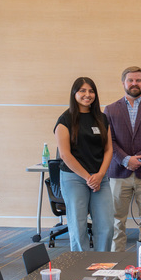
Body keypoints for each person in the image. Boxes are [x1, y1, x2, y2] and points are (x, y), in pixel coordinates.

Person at [105, 66, 141, 252]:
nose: (134, 83)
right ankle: (116, 260)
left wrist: (138, 160)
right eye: (130, 80)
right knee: (116, 220)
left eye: (138, 80)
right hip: (118, 172)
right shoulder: (110, 110)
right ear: (123, 83)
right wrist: (125, 160)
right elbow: (109, 141)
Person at [54, 77, 114, 251]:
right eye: (82, 91)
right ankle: (81, 267)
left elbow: (109, 149)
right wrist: (89, 178)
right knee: (78, 228)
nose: (87, 95)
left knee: (107, 226)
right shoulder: (65, 120)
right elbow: (65, 154)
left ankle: (102, 266)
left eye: (91, 91)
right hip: (75, 178)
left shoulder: (101, 118)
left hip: (99, 178)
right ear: (74, 93)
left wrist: (100, 175)